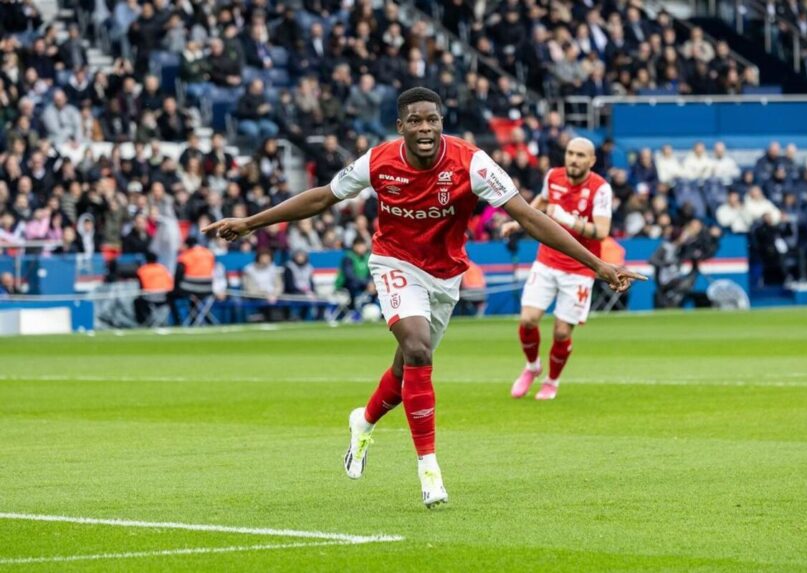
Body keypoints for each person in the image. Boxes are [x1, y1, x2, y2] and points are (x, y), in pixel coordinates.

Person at [202, 88, 645, 509]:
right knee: (416, 348)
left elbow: (528, 216)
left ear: (442, 123)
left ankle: (365, 421)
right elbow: (322, 197)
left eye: (432, 119)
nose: (425, 128)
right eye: (415, 121)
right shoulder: (377, 162)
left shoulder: (473, 163)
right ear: (401, 126)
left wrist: (598, 265)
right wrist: (251, 223)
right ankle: (429, 469)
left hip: (445, 277)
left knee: (406, 367)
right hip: (393, 264)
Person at [500, 138, 613, 401]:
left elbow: (603, 231)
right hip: (548, 260)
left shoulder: (601, 189)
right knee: (528, 319)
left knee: (562, 331)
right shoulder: (553, 176)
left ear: (591, 161)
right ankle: (532, 367)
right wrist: (517, 223)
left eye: (580, 155)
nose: (574, 159)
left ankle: (552, 380)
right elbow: (540, 202)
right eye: (570, 153)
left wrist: (567, 220)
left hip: (580, 268)